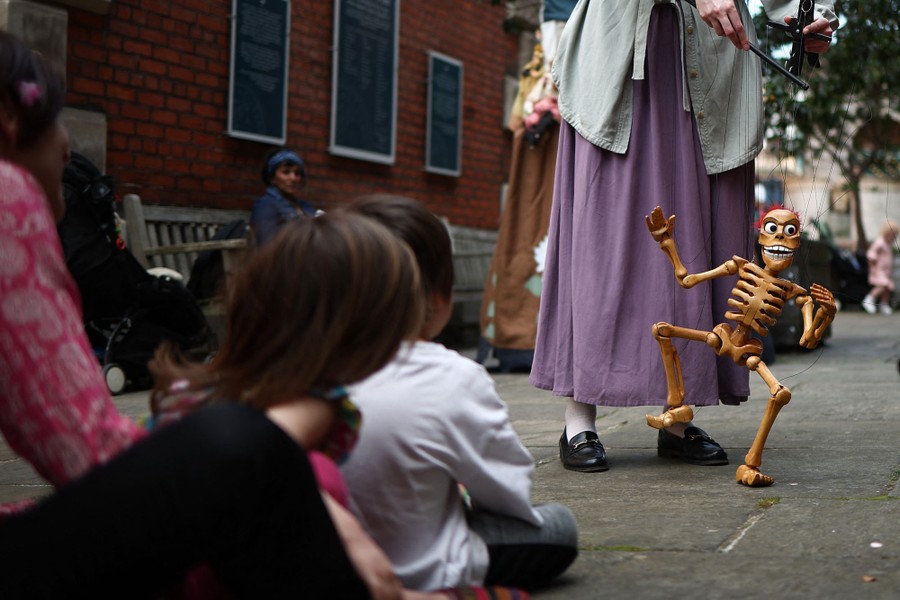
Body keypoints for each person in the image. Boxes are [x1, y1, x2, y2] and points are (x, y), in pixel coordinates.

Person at [0, 209, 432, 599]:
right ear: (370, 337)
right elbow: (260, 450)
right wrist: (345, 527)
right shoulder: (320, 403)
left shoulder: (196, 388)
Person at [529, 0, 838, 472]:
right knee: (603, 236)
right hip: (621, 59)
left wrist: (802, 13)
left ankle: (679, 418)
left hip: (711, 62)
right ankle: (579, 420)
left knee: (696, 237)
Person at [342, 195, 578, 592]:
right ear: (440, 297)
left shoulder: (304, 367)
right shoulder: (452, 376)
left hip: (326, 559)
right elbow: (508, 493)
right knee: (559, 525)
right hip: (426, 566)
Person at [0, 30, 146, 507]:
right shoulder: (8, 199)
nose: (68, 145)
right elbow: (89, 451)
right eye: (56, 119)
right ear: (9, 120)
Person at [250, 148, 320, 247]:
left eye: (297, 173)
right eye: (286, 172)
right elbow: (266, 244)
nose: (293, 178)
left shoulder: (304, 206)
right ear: (272, 178)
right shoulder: (266, 205)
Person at [862, 220, 898, 315]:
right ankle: (869, 299)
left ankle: (884, 304)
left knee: (887, 288)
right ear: (886, 233)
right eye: (892, 234)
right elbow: (871, 253)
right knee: (882, 286)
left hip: (886, 271)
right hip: (878, 270)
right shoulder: (880, 242)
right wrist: (873, 260)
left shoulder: (889, 245)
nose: (893, 237)